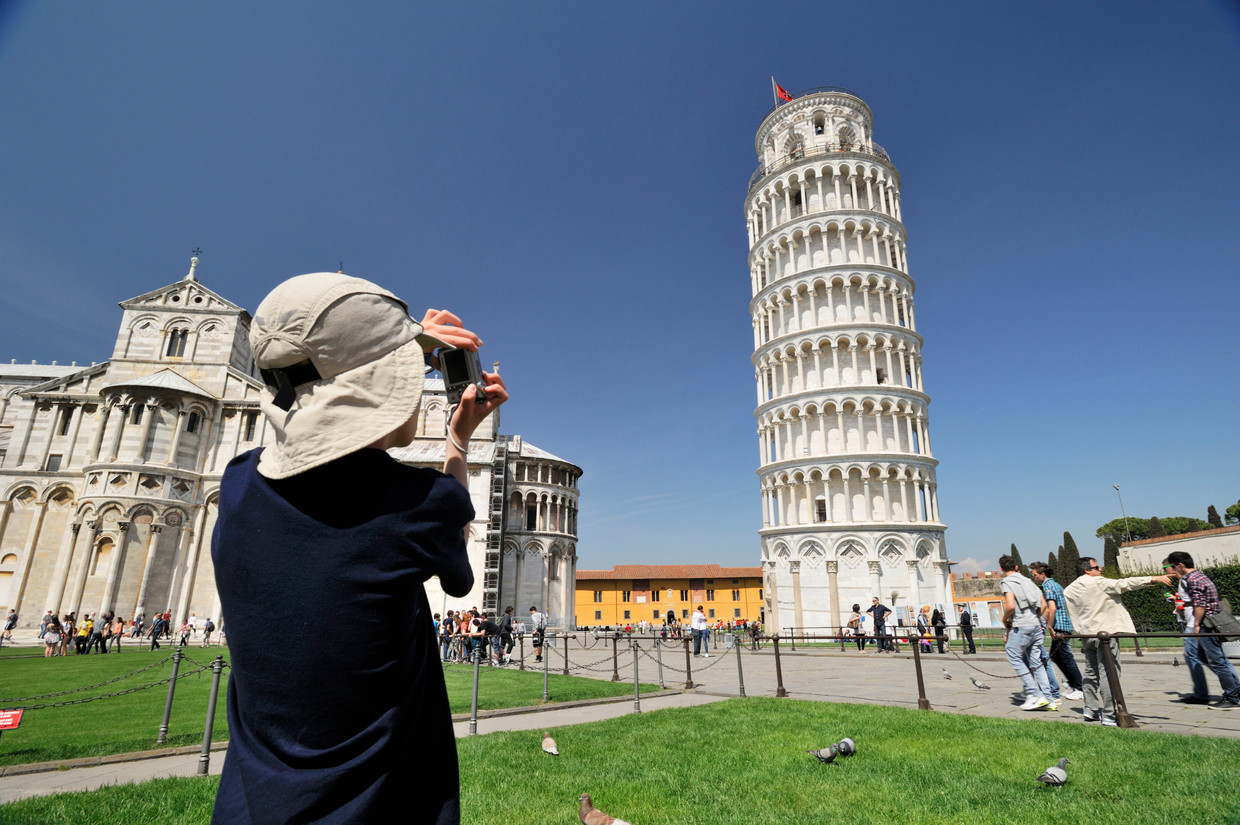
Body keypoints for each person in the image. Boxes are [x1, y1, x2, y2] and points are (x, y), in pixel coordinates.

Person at [211, 272, 506, 824]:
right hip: (376, 805)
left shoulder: (238, 485)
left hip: (252, 806)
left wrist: (399, 344)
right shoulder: (415, 504)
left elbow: (311, 404)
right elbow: (459, 577)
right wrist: (457, 440)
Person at [1063, 557, 1171, 725]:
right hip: (1105, 634)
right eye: (1096, 567)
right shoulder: (1098, 582)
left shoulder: (1069, 589)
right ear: (1087, 570)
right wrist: (1153, 578)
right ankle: (1108, 713)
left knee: (1090, 673)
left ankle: (1090, 709)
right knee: (1109, 673)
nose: (1100, 570)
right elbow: (1124, 583)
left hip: (1086, 635)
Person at [1165, 552, 1240, 708]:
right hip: (1209, 622)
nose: (1172, 570)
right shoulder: (1199, 576)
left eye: (1172, 566)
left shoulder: (1192, 579)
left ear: (1180, 565)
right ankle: (1234, 691)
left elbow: (1200, 605)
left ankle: (1232, 697)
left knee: (1217, 661)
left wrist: (1197, 625)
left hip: (1207, 624)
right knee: (1205, 657)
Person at [998, 554, 1057, 710]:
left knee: (1012, 654)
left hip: (1022, 624)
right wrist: (1035, 618)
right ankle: (1049, 699)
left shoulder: (1006, 582)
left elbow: (1010, 606)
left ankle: (1034, 694)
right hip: (1036, 624)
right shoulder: (1028, 581)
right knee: (1036, 662)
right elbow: (1043, 604)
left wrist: (1004, 620)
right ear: (1016, 567)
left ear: (1001, 569)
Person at [1029, 562, 1084, 700]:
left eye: (1034, 575)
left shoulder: (1047, 586)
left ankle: (1079, 687)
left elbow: (1052, 608)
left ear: (1043, 574)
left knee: (1066, 656)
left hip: (1059, 626)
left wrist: (1050, 625)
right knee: (1056, 656)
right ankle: (1073, 684)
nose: (1033, 577)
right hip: (1063, 624)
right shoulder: (1057, 584)